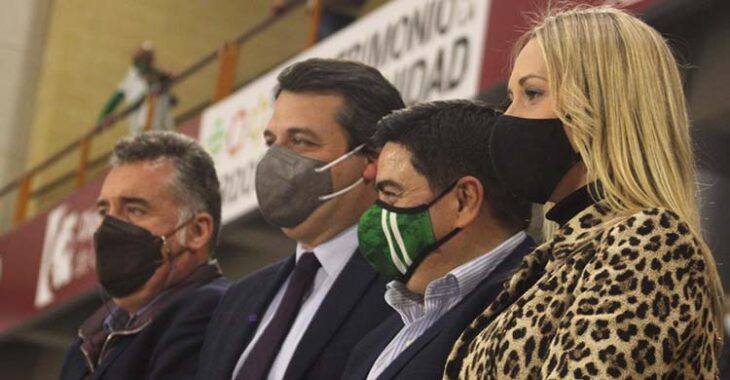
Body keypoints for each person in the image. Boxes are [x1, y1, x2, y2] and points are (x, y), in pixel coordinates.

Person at [444, 6, 725, 379]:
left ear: (602, 106)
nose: (508, 118)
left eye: (532, 93)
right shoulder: (553, 260)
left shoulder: (651, 240)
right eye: (510, 97)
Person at [195, 58, 405, 380]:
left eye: (300, 141)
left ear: (373, 159)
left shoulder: (408, 289)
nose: (275, 160)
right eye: (271, 142)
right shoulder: (237, 301)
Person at [341, 100, 534, 380]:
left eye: (392, 194)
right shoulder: (372, 343)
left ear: (463, 201)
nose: (375, 216)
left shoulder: (534, 302)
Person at [59, 131, 229, 380]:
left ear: (197, 231)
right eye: (104, 211)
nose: (108, 227)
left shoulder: (212, 313)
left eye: (135, 210)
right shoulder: (85, 343)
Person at [98, 42, 177, 135]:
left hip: (158, 126)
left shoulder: (157, 76)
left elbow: (172, 99)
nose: (143, 61)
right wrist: (102, 119)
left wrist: (166, 83)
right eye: (141, 57)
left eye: (146, 58)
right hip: (140, 125)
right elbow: (116, 97)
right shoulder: (132, 76)